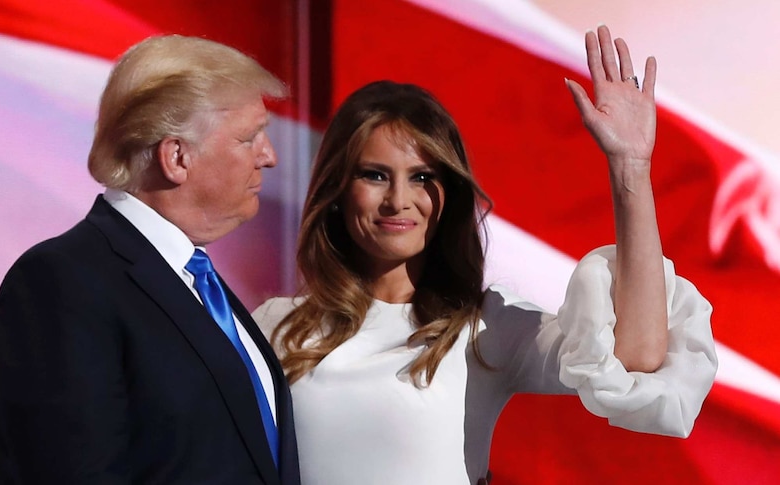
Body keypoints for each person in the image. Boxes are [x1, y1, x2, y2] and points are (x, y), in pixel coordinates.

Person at [252, 26, 717, 485]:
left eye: (421, 177)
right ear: (337, 190)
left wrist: (629, 168)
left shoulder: (488, 327)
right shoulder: (273, 325)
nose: (398, 200)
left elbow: (635, 358)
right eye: (374, 175)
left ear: (450, 194)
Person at [0, 35, 301, 484]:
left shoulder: (197, 280)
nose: (268, 157)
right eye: (249, 138)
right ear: (176, 157)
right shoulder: (62, 282)